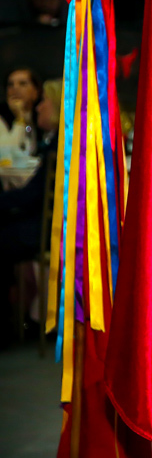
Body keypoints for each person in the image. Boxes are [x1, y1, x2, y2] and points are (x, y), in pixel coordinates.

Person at [1, 78, 59, 345]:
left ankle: (13, 322)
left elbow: (31, 194)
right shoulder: (51, 140)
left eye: (44, 101)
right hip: (37, 217)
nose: (39, 108)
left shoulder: (54, 145)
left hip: (45, 229)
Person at [1, 67, 42, 152]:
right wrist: (20, 119)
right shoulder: (1, 118)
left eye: (22, 84)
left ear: (36, 92)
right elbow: (7, 152)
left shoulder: (43, 115)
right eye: (10, 85)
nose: (15, 88)